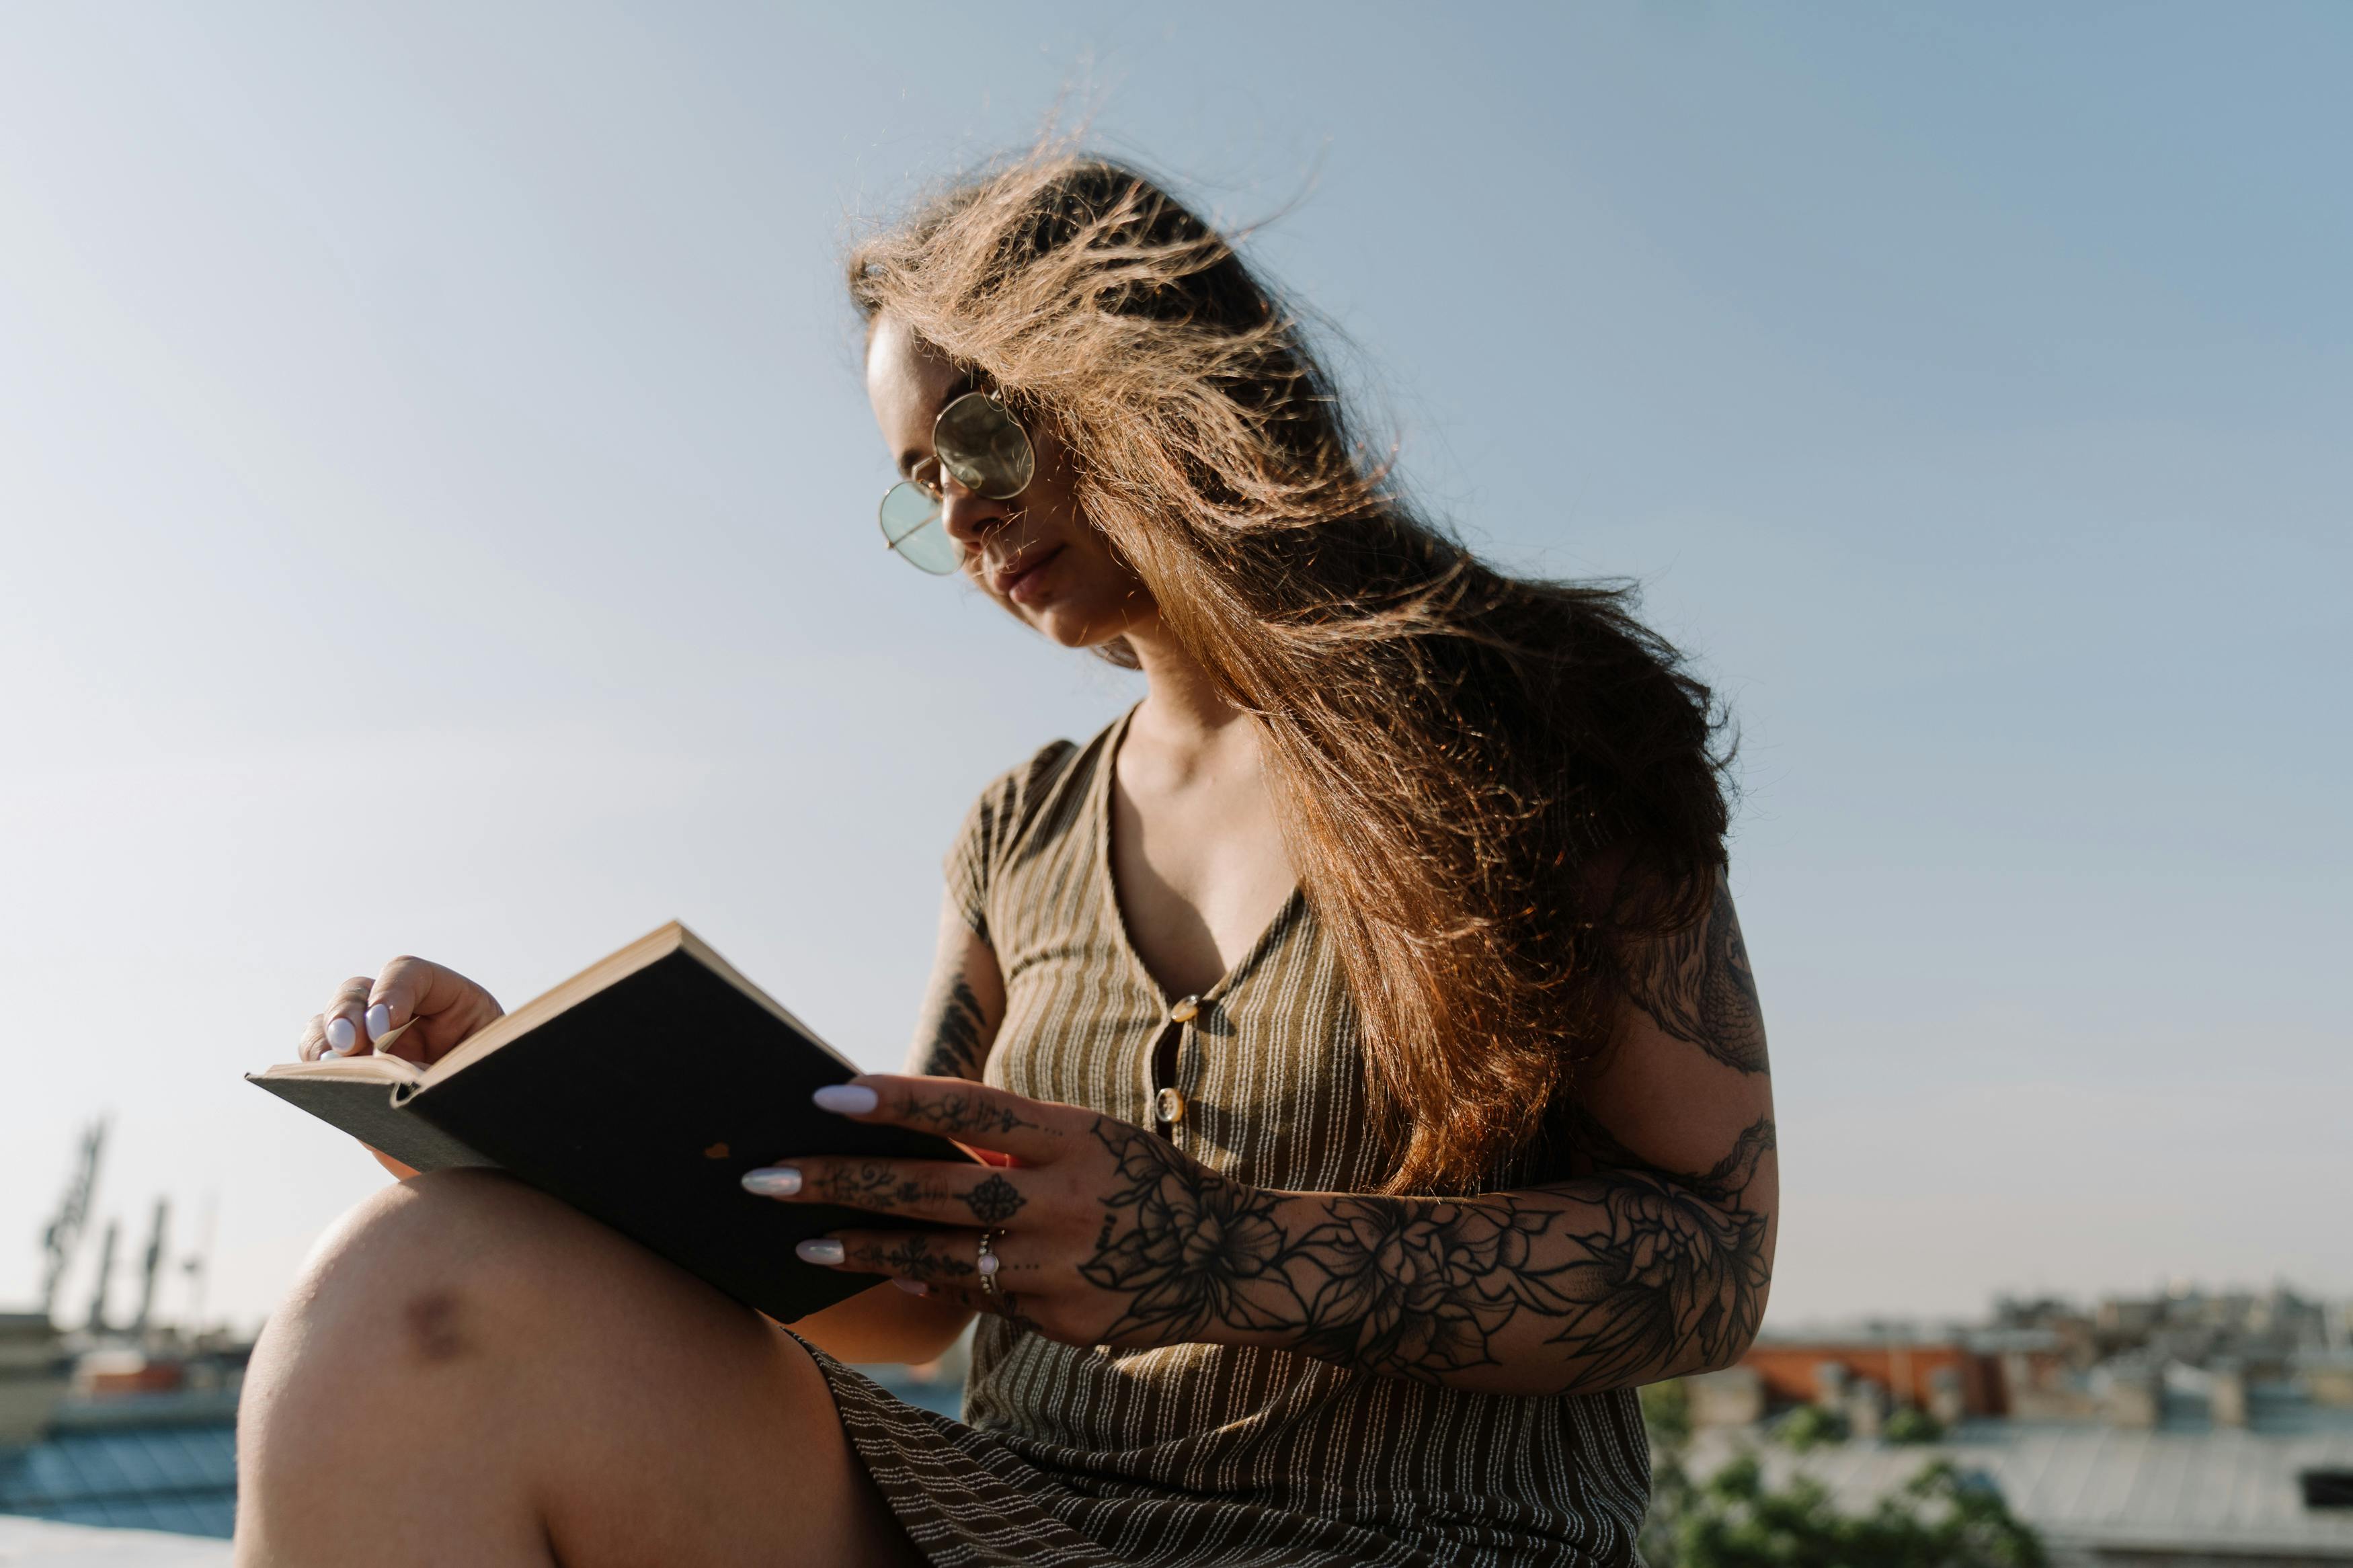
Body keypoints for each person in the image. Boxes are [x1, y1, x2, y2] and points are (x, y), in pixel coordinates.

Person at [234, 154, 1778, 1568]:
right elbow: (907, 1296)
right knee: (414, 1293)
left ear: (1149, 361)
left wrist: (1216, 1252)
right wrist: (533, 1138)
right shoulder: (1018, 829)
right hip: (1015, 1525)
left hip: (1417, 1540)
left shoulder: (1526, 718)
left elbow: (1716, 1258)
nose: (963, 511)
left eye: (978, 431)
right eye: (921, 483)